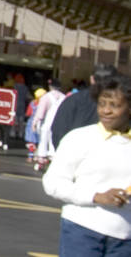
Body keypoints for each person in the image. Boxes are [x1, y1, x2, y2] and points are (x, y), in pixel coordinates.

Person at [43, 74, 131, 256]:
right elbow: (52, 183)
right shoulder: (79, 138)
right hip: (81, 232)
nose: (105, 111)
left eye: (114, 105)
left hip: (125, 239)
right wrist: (96, 196)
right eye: (101, 104)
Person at [51, 64, 118, 149]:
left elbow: (58, 131)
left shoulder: (72, 100)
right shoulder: (121, 105)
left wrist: (65, 154)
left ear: (91, 79)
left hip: (72, 153)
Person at [34, 79, 68, 171]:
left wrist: (35, 122)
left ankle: (41, 160)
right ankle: (53, 160)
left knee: (43, 142)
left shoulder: (46, 97)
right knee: (54, 143)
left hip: (47, 123)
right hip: (59, 124)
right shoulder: (64, 98)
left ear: (50, 86)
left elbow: (40, 113)